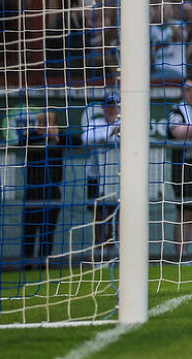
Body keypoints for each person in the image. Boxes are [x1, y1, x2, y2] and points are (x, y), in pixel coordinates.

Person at [20, 110, 81, 266]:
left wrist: (56, 137)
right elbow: (21, 141)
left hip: (52, 191)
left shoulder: (60, 139)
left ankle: (43, 262)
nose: (45, 127)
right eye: (42, 124)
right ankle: (27, 263)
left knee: (48, 231)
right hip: (33, 191)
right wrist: (43, 136)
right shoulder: (31, 137)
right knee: (29, 231)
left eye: (49, 123)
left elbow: (77, 141)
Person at [82, 92, 121, 261]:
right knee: (99, 215)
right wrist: (110, 134)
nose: (111, 109)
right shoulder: (96, 123)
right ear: (103, 107)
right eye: (108, 105)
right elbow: (86, 138)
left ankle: (116, 253)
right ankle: (100, 252)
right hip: (96, 178)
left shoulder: (125, 123)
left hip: (118, 177)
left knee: (119, 215)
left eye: (114, 105)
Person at [168, 77, 192, 261]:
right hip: (184, 166)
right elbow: (177, 132)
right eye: (187, 89)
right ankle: (182, 256)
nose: (191, 92)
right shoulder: (177, 109)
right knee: (186, 211)